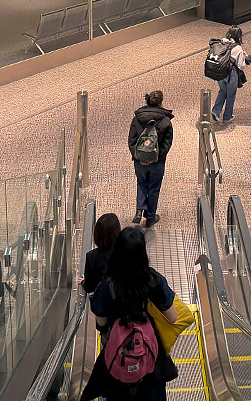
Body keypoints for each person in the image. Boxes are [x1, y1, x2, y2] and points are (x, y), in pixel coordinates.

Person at [83, 226, 179, 401]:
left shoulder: (107, 286)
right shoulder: (153, 280)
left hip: (119, 358)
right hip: (150, 361)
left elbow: (101, 322)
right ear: (143, 253)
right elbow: (173, 317)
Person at [128, 90, 173, 228]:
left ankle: (139, 210)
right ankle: (150, 217)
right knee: (154, 187)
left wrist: (137, 156)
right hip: (156, 162)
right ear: (161, 103)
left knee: (141, 183)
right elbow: (167, 143)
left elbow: (131, 140)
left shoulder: (137, 118)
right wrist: (157, 157)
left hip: (139, 161)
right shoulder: (165, 121)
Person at [212, 26, 251, 127]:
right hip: (231, 73)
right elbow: (241, 66)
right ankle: (227, 117)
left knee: (222, 90)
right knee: (231, 94)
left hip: (220, 71)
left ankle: (216, 111)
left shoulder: (221, 42)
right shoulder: (237, 48)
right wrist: (246, 58)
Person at [83, 212, 121, 292]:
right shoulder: (126, 251)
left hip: (104, 298)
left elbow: (89, 287)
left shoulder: (91, 257)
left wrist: (84, 281)